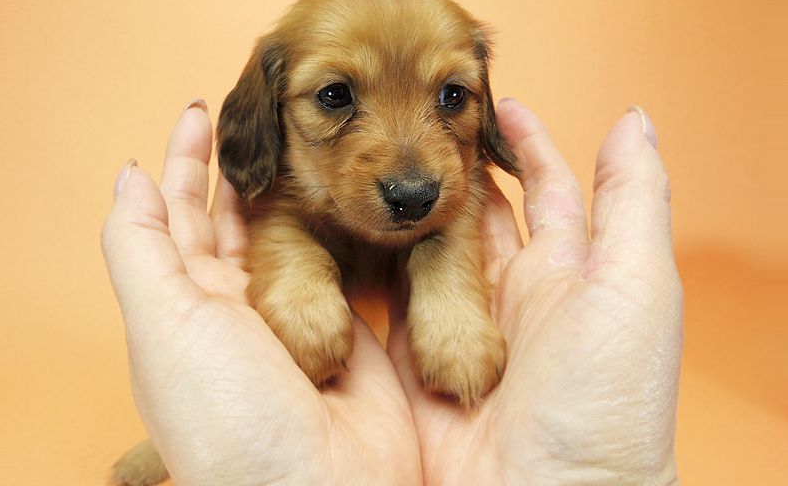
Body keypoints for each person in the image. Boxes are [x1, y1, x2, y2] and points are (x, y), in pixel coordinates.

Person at [101, 98, 682, 485]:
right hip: (331, 382)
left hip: (413, 383)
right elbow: (277, 220)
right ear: (270, 104)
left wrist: (447, 292)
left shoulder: (448, 189)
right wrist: (302, 276)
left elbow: (459, 213)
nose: (412, 174)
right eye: (335, 97)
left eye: (451, 97)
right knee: (265, 329)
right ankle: (171, 439)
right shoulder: (290, 176)